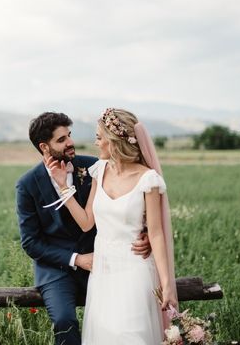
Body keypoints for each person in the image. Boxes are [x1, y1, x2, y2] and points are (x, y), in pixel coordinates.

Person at [15, 112, 151, 345]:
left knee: (119, 316)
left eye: (69, 135)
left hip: (102, 260)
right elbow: (31, 243)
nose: (70, 142)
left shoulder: (94, 167)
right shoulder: (27, 185)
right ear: (44, 147)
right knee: (64, 320)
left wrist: (145, 230)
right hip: (56, 271)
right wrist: (77, 259)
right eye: (61, 140)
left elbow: (133, 192)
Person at [45, 108, 177, 344]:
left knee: (132, 335)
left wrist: (167, 284)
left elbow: (156, 234)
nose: (95, 143)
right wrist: (63, 186)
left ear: (113, 141)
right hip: (103, 271)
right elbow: (87, 222)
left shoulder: (149, 180)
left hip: (135, 269)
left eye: (98, 137)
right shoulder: (100, 171)